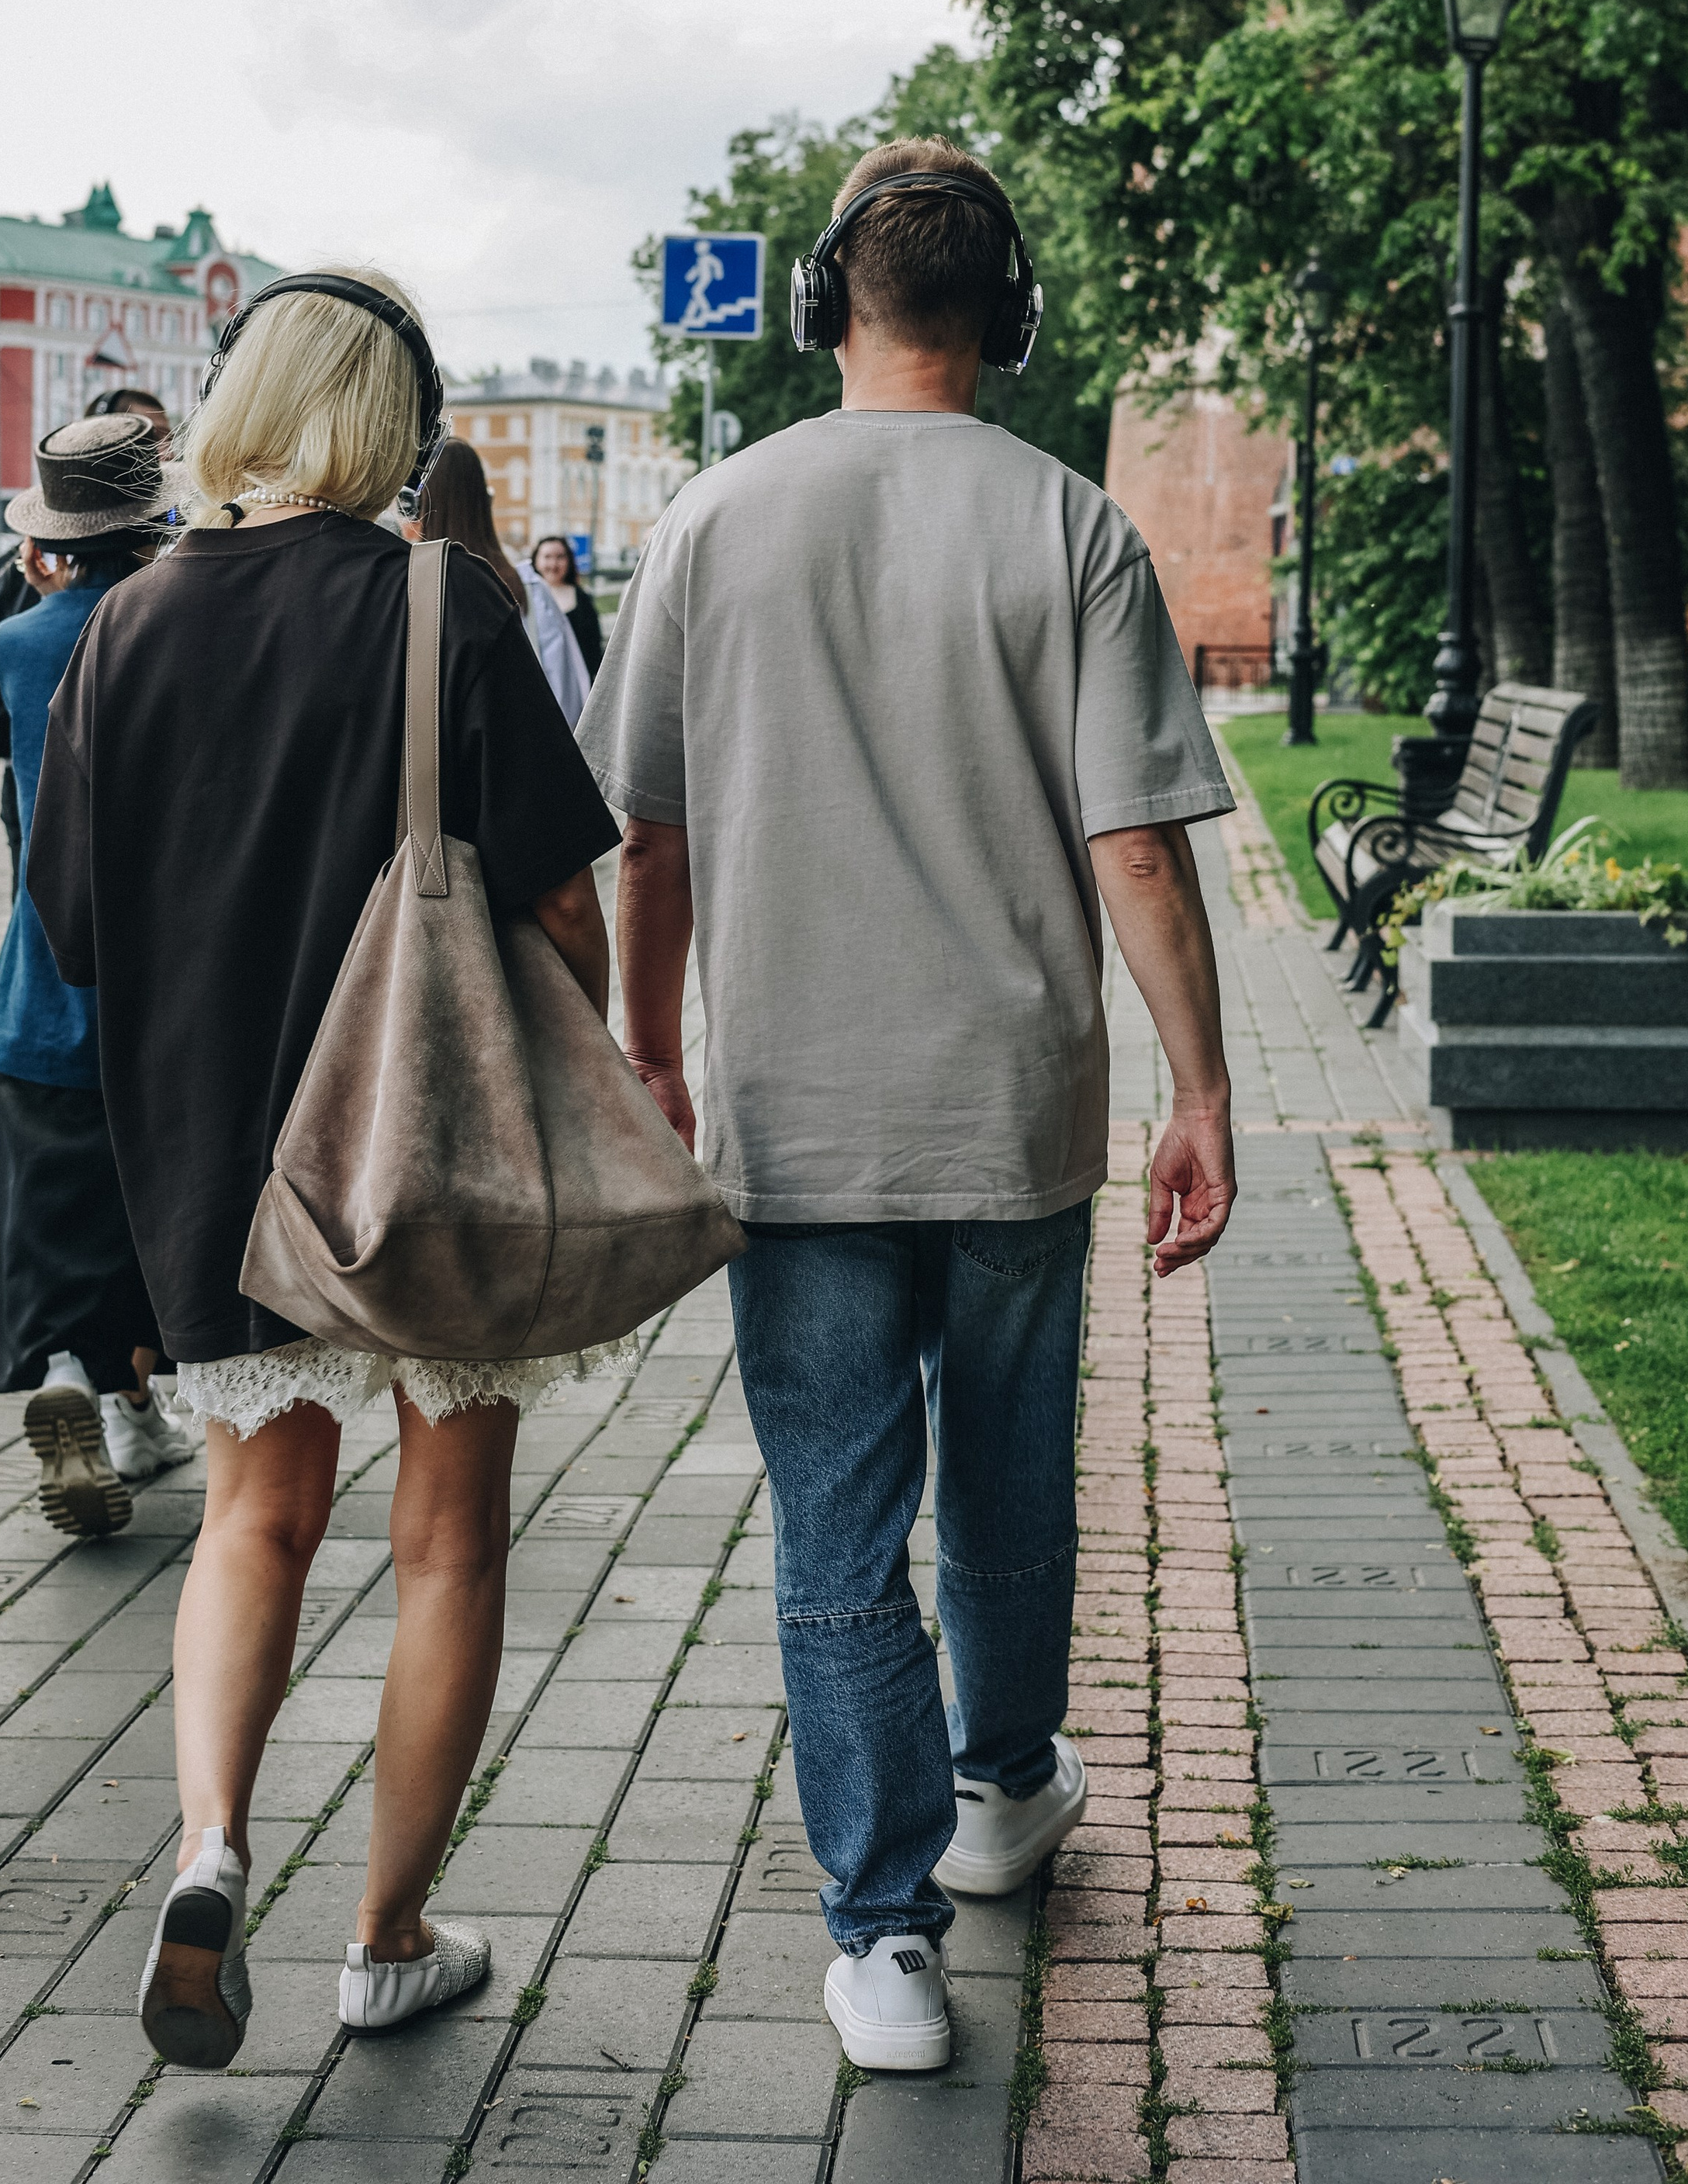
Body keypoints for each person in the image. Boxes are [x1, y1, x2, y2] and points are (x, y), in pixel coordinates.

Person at [579, 142, 1238, 2074]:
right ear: (1007, 317)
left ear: (822, 304)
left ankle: (881, 1936)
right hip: (1012, 1110)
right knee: (1009, 1484)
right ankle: (1005, 1781)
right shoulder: (1070, 527)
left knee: (834, 1532)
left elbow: (645, 827)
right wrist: (1199, 1085)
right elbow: (1133, 847)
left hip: (792, 1112)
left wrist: (651, 1040)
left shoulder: (712, 518)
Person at [22, 268, 623, 2068]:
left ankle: (209, 1842)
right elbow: (562, 898)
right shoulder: (439, 601)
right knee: (443, 1538)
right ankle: (385, 1935)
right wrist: (572, 1048)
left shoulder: (125, 625)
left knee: (250, 1513)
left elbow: (70, 922)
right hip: (421, 1135)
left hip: (210, 1141)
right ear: (397, 420)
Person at [0, 417, 195, 1535]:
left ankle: (67, 1372)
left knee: (49, 1211)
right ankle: (139, 1412)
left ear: (53, 535)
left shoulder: (21, 644)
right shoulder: (179, 631)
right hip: (163, 989)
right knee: (147, 1217)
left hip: (37, 984)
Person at [418, 441, 590, 727]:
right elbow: (564, 695)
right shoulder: (526, 588)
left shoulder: (409, 584)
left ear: (424, 501)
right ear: (484, 500)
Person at [530, 535, 604, 678]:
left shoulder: (582, 599)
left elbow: (593, 646)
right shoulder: (527, 599)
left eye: (560, 557)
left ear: (569, 561)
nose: (553, 564)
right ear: (536, 561)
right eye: (547, 557)